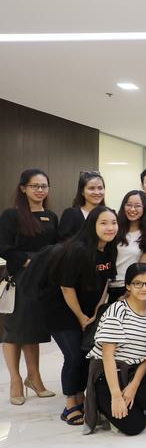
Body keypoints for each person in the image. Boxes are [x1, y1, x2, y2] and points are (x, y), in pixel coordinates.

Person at [47, 205, 118, 426]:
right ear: (92, 225)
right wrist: (80, 316)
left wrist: (97, 310)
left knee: (86, 354)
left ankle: (79, 396)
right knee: (74, 356)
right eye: (103, 223)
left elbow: (106, 282)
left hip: (88, 311)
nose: (110, 227)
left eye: (113, 223)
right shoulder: (77, 250)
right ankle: (70, 404)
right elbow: (66, 287)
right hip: (61, 311)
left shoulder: (109, 249)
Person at [1, 169, 58, 406]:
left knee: (33, 329)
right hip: (21, 276)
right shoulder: (11, 215)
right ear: (23, 188)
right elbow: (4, 247)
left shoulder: (51, 216)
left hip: (43, 278)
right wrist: (27, 261)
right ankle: (15, 380)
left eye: (44, 186)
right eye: (35, 186)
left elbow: (56, 246)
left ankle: (34, 378)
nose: (40, 190)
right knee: (15, 330)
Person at [84, 264, 146, 435]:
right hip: (108, 372)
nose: (144, 288)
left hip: (131, 371)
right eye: (138, 283)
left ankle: (129, 405)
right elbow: (107, 355)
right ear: (128, 286)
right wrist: (116, 396)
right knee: (135, 427)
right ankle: (103, 403)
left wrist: (133, 386)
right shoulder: (118, 310)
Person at [108, 190, 146, 302]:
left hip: (130, 288)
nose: (132, 209)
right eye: (129, 205)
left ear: (145, 208)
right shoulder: (113, 230)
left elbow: (140, 269)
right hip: (106, 286)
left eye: (137, 206)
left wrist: (126, 295)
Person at [59, 171, 105, 240]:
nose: (97, 192)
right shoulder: (71, 214)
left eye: (100, 188)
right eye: (91, 188)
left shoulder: (109, 214)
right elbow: (64, 241)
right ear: (82, 192)